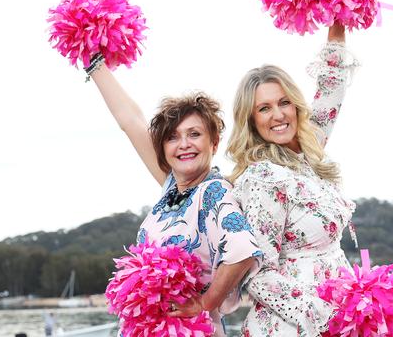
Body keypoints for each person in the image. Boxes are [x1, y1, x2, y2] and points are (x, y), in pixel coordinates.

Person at [86, 64, 262, 337]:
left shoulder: (214, 192)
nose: (183, 144)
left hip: (193, 330)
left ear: (214, 143)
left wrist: (206, 302)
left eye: (194, 134)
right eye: (172, 137)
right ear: (163, 148)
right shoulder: (171, 188)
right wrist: (95, 63)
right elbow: (130, 121)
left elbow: (243, 250)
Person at [226, 24, 359, 337]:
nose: (278, 115)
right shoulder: (261, 177)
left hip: (339, 315)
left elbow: (332, 90)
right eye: (264, 108)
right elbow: (257, 272)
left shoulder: (309, 151)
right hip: (295, 326)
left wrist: (338, 16)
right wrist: (323, 316)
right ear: (251, 119)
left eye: (284, 102)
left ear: (296, 106)